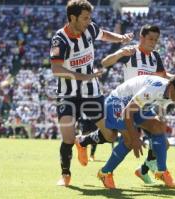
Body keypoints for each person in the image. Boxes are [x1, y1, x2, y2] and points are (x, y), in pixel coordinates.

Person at [50, 0, 133, 187]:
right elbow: (56, 69)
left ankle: (84, 141)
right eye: (85, 18)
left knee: (111, 135)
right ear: (73, 18)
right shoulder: (59, 39)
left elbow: (103, 34)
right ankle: (65, 175)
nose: (89, 21)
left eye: (90, 18)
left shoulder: (90, 29)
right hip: (67, 94)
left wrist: (120, 38)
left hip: (92, 92)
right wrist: (82, 76)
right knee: (67, 138)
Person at [76, 25, 173, 184]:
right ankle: (99, 163)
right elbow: (105, 62)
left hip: (143, 104)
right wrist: (120, 53)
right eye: (150, 39)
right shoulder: (131, 52)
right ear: (141, 38)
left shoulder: (155, 56)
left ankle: (145, 170)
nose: (153, 42)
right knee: (118, 137)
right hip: (124, 102)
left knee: (162, 140)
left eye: (156, 40)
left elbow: (163, 76)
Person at [96, 72, 175, 189]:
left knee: (158, 127)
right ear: (173, 87)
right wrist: (136, 138)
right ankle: (105, 173)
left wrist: (160, 137)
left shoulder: (170, 94)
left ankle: (161, 171)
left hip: (137, 106)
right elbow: (128, 112)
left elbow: (158, 116)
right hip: (118, 102)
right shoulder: (154, 89)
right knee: (129, 140)